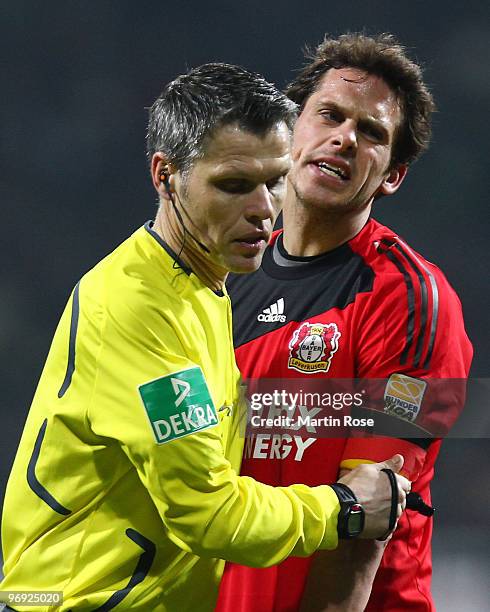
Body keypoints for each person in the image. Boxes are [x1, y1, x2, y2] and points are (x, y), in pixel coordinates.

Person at [0, 63, 410, 611]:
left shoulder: (207, 281)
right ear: (164, 175)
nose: (265, 209)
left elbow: (412, 423)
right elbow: (207, 512)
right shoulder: (140, 306)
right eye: (234, 185)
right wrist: (343, 509)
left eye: (275, 180)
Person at [216, 35, 473, 611]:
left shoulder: (412, 299)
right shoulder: (226, 279)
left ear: (392, 176)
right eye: (329, 115)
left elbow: (369, 516)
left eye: (372, 133)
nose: (345, 138)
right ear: (290, 130)